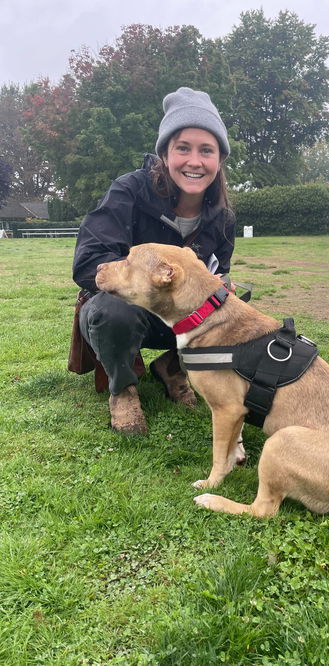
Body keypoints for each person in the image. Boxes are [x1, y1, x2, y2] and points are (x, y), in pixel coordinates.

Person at [73, 87, 235, 435]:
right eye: (183, 148)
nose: (195, 161)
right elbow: (88, 261)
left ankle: (174, 367)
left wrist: (222, 288)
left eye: (206, 150)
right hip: (125, 314)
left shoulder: (222, 217)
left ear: (219, 159)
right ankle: (123, 390)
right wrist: (145, 281)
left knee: (230, 302)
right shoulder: (128, 191)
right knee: (114, 309)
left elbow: (218, 272)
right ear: (165, 153)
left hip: (178, 319)